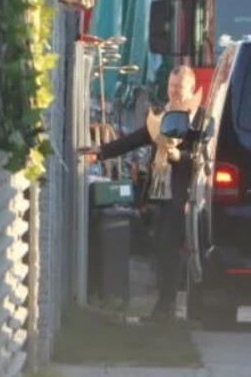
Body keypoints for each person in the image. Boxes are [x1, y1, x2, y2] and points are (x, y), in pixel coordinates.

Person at [94, 66, 204, 322]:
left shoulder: (198, 118)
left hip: (181, 195)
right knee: (159, 248)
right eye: (171, 85)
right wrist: (100, 152)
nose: (174, 91)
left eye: (179, 86)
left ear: (190, 87)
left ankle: (166, 308)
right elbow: (136, 139)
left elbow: (200, 155)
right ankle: (163, 306)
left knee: (169, 248)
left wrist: (180, 156)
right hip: (158, 192)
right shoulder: (162, 116)